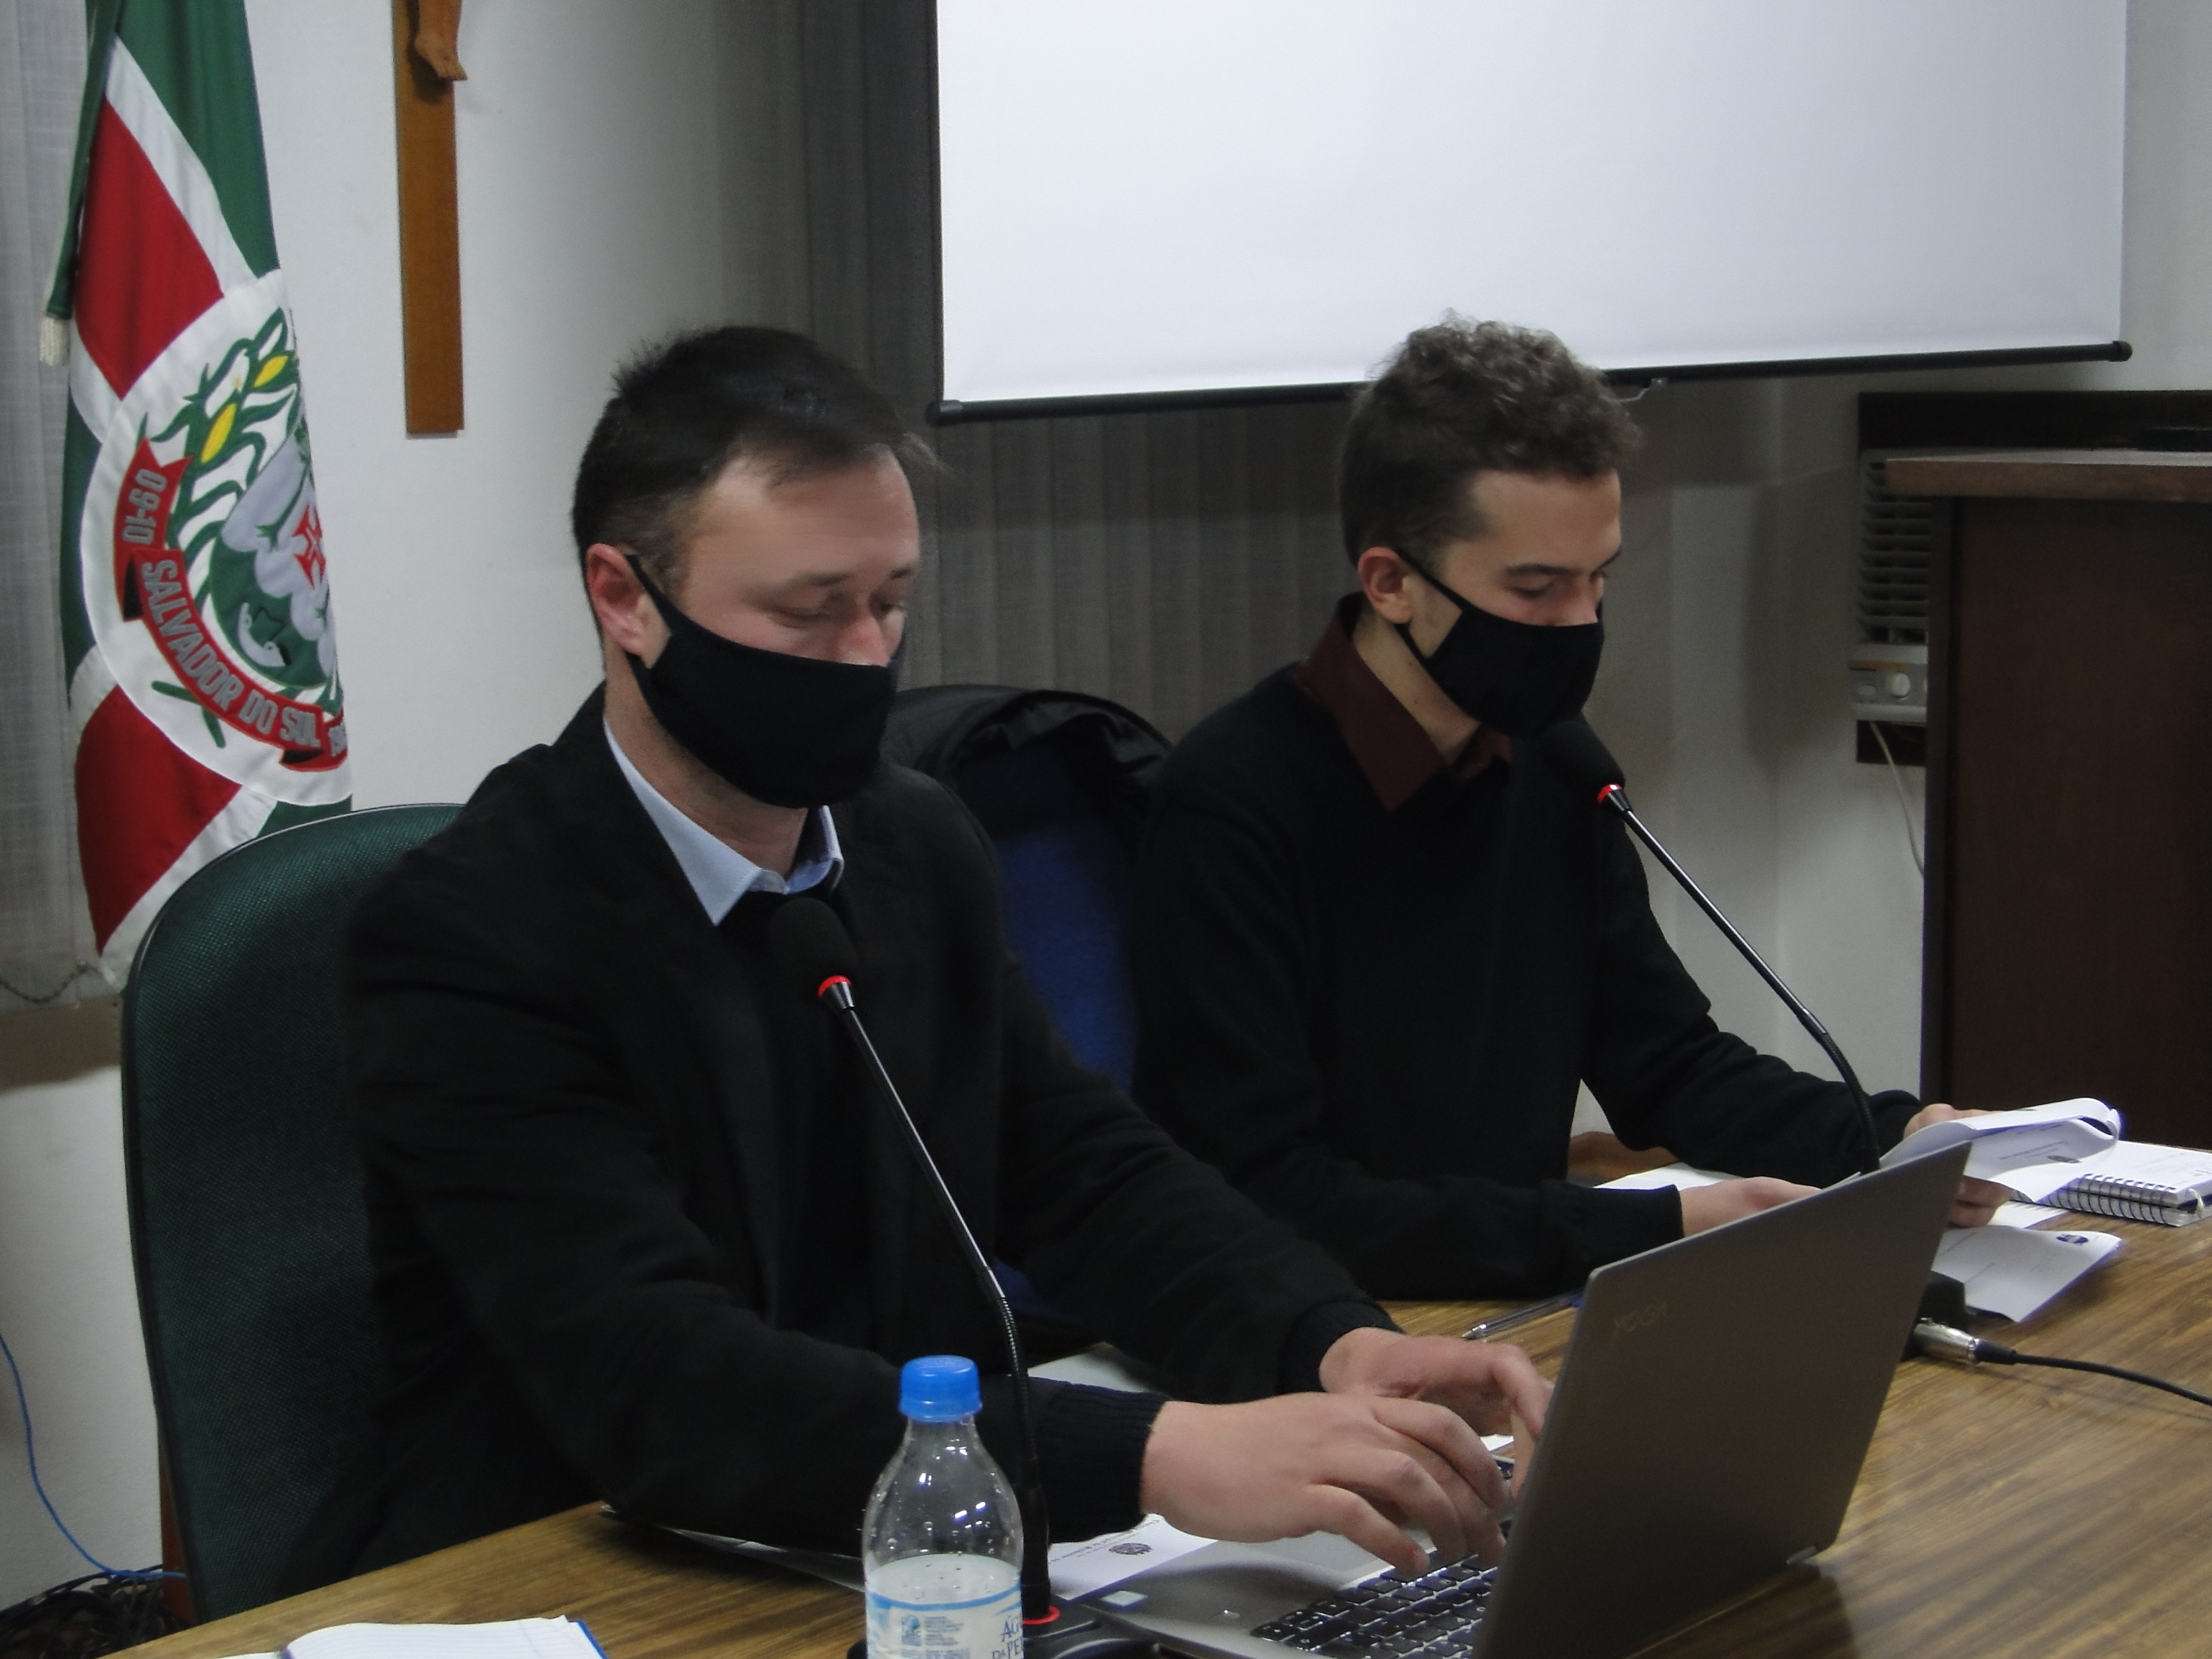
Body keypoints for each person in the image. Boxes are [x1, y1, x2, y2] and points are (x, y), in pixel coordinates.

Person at [283, 326, 1550, 1592]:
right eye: (808, 611)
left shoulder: (913, 845)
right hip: (560, 1571)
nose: (865, 657)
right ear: (624, 599)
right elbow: (654, 1379)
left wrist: (1326, 1339)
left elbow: (1083, 1173)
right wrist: (1155, 1455)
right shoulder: (469, 932)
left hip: (889, 1546)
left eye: (889, 602)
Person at [1126, 318, 2001, 1302]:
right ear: (1392, 582)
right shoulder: (1232, 800)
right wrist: (1654, 1227)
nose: (1581, 623)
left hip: (1519, 1300)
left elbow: (1665, 1064)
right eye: (1537, 588)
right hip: (1325, 1323)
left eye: (1599, 579)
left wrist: (1888, 1137)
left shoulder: (1554, 763)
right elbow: (1268, 1196)